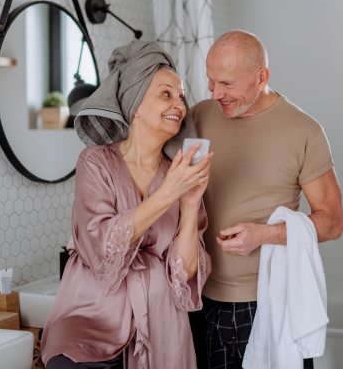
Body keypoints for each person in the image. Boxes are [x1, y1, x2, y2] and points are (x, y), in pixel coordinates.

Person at [38, 40, 213, 369]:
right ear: (135, 104)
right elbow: (102, 243)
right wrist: (169, 193)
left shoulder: (176, 174)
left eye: (181, 96)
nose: (179, 104)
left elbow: (184, 272)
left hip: (162, 319)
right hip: (92, 314)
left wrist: (190, 205)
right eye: (166, 94)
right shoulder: (95, 163)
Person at [189, 30, 343, 369]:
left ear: (261, 78)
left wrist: (265, 235)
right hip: (201, 302)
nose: (216, 94)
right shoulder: (199, 116)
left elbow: (332, 221)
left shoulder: (304, 131)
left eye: (227, 84)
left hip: (270, 302)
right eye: (210, 81)